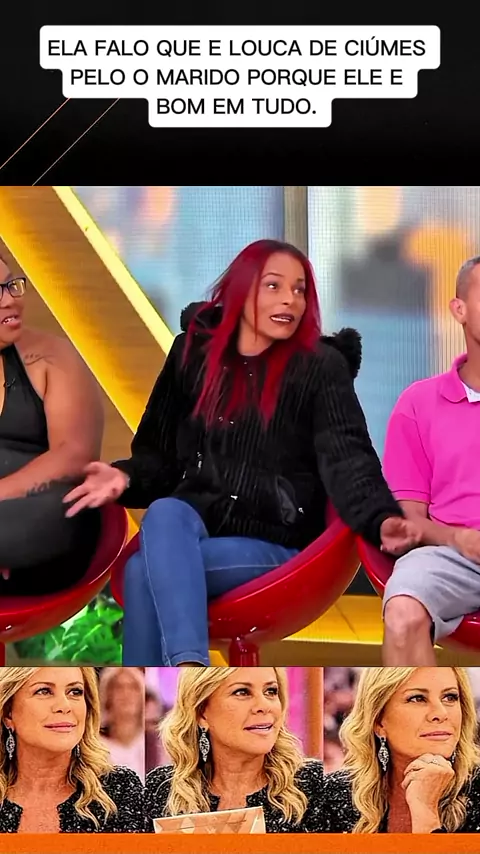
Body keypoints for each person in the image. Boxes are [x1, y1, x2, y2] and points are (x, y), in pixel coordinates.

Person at [64, 239, 420, 665]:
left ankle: (186, 672)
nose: (290, 300)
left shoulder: (320, 368)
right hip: (196, 528)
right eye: (274, 286)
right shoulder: (191, 355)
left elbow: (350, 458)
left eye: (300, 290)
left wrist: (382, 519)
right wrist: (125, 477)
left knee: (144, 572)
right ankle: (188, 671)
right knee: (164, 514)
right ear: (240, 289)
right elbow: (159, 460)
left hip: (276, 543)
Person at [382, 255, 480, 664]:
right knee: (402, 614)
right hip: (453, 556)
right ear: (459, 309)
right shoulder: (418, 404)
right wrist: (459, 539)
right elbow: (410, 520)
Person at [0, 256, 103, 594]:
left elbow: (74, 456)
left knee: (61, 503)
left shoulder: (51, 356)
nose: (10, 299)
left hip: (40, 519)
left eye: (12, 285)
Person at [144, 666, 324, 833]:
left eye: (271, 691)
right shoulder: (162, 788)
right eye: (242, 692)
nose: (264, 706)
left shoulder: (315, 785)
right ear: (201, 712)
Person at [323, 666, 480, 833]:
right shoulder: (332, 795)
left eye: (450, 697)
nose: (441, 713)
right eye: (417, 698)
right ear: (378, 721)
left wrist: (426, 812)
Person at [0, 666, 146, 833]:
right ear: (8, 713)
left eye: (75, 692)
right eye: (44, 691)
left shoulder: (121, 790)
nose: (65, 706)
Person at [98, 667, 145, 780]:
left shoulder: (154, 743)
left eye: (133, 687)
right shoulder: (95, 746)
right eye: (119, 687)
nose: (126, 694)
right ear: (108, 695)